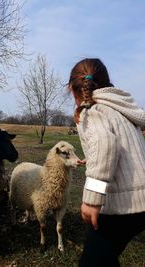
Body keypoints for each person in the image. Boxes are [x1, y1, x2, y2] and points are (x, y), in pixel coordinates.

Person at [67, 58, 145, 267]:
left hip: (124, 205)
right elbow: (120, 147)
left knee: (92, 263)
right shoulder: (121, 109)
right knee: (105, 257)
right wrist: (92, 158)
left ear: (74, 91)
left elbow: (106, 145)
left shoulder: (92, 111)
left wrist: (92, 199)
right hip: (141, 200)